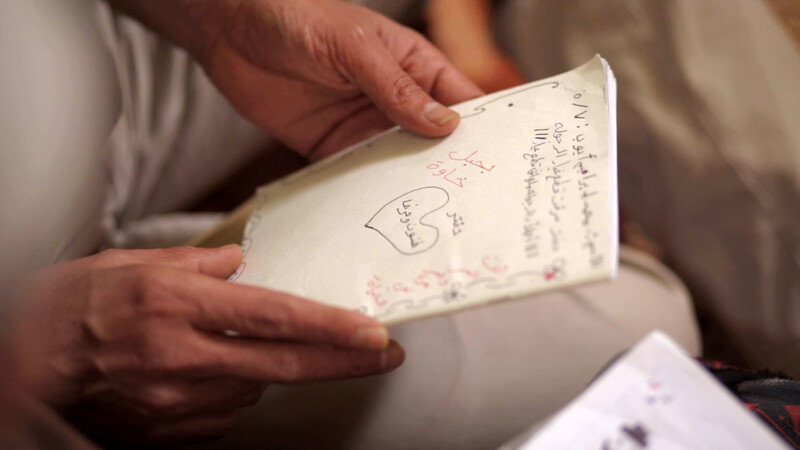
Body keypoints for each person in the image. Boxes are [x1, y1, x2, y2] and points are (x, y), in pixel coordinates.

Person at [0, 0, 700, 448]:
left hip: (75, 72)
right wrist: (51, 342)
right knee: (648, 326)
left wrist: (229, 21)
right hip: (32, 345)